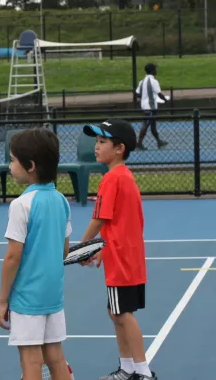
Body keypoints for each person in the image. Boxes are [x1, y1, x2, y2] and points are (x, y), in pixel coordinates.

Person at [80, 119, 154, 380]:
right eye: (96, 141)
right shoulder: (125, 176)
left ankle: (142, 372)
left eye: (102, 142)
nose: (96, 146)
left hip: (122, 259)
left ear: (119, 148)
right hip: (126, 254)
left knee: (122, 314)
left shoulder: (111, 179)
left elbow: (99, 219)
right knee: (116, 311)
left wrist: (83, 247)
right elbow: (120, 223)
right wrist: (102, 250)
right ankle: (128, 368)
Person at [0, 128, 73, 380]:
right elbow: (64, 250)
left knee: (30, 361)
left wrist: (3, 300)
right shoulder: (61, 200)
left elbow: (13, 256)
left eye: (12, 160)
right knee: (56, 357)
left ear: (30, 166)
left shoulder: (21, 205)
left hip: (27, 297)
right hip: (53, 295)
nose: (10, 166)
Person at [134, 63, 168, 150]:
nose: (156, 71)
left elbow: (137, 94)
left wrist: (144, 97)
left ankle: (159, 141)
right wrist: (166, 100)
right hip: (150, 107)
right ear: (152, 70)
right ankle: (139, 143)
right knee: (146, 124)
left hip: (145, 106)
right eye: (155, 69)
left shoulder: (142, 82)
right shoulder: (154, 81)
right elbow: (159, 94)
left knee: (153, 125)